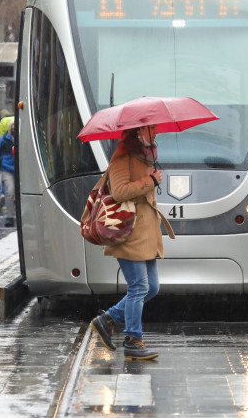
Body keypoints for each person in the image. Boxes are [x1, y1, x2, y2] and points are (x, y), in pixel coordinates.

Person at [89, 125, 169, 360]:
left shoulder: (145, 158)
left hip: (145, 232)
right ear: (138, 132)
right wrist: (150, 181)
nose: (156, 133)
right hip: (128, 231)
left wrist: (150, 178)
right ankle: (133, 340)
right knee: (139, 287)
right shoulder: (122, 159)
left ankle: (108, 319)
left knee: (152, 287)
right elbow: (120, 192)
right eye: (151, 129)